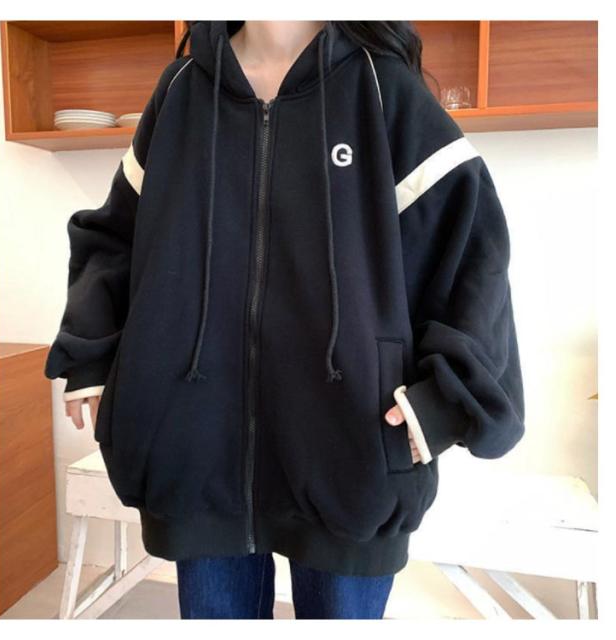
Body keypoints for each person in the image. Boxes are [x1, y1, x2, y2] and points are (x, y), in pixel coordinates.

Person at [44, 20, 525, 619]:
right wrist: (91, 349)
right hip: (195, 450)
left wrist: (445, 399)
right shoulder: (182, 91)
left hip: (350, 452)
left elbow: (472, 248)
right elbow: (114, 235)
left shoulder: (382, 89)